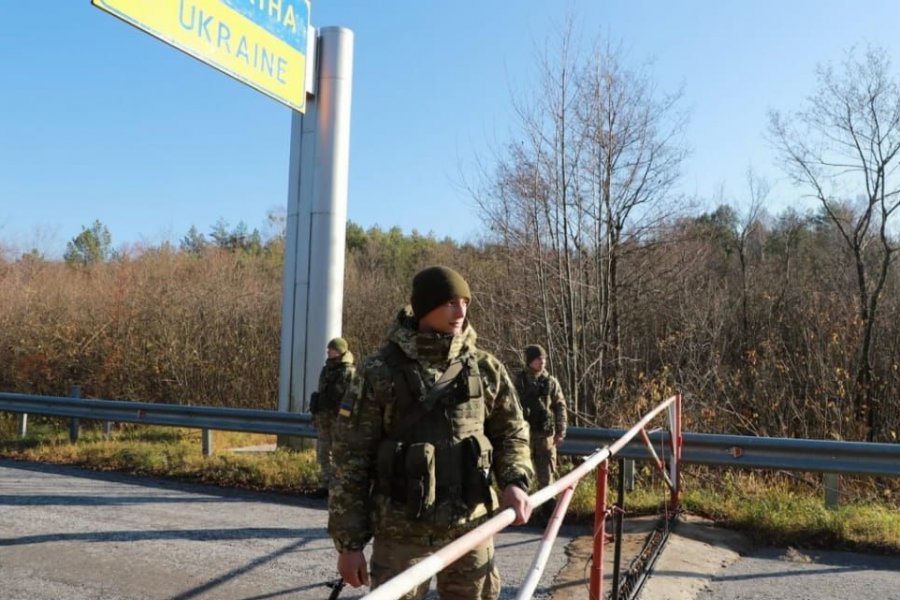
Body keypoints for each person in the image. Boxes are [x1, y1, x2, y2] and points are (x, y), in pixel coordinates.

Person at [328, 265, 534, 599]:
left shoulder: (484, 367)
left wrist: (515, 480)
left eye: (465, 302)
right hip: (401, 534)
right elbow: (351, 461)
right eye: (450, 302)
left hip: (472, 527)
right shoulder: (378, 372)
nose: (461, 311)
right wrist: (349, 545)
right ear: (425, 307)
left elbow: (512, 432)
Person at [514, 344, 567, 494]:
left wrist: (560, 432)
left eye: (544, 358)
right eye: (538, 358)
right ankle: (525, 513)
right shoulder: (519, 381)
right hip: (524, 437)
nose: (542, 361)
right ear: (530, 360)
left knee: (547, 479)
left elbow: (560, 406)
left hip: (545, 438)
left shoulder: (550, 382)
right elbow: (509, 407)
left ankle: (548, 512)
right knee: (522, 478)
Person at [310, 337, 356, 499]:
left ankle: (338, 487)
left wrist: (345, 420)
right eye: (329, 349)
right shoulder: (326, 370)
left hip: (339, 420)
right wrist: (316, 415)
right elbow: (322, 393)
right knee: (323, 452)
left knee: (339, 453)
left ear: (340, 351)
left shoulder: (349, 372)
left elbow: (351, 398)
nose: (329, 352)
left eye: (332, 349)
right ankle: (324, 485)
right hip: (324, 418)